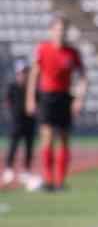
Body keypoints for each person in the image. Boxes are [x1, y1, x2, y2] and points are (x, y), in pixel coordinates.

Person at [24, 17, 87, 191]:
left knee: (64, 139)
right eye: (58, 29)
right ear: (51, 31)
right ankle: (49, 179)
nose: (61, 32)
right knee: (47, 138)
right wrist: (30, 99)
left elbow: (83, 77)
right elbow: (34, 74)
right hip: (46, 97)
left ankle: (60, 181)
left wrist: (79, 98)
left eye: (63, 29)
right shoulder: (43, 49)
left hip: (65, 97)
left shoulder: (72, 52)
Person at [4, 58, 38, 187]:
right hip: (16, 121)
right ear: (17, 73)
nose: (23, 75)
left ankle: (26, 170)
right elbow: (7, 101)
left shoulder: (32, 88)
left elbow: (37, 102)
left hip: (29, 121)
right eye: (21, 72)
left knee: (29, 146)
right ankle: (9, 169)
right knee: (13, 145)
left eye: (25, 72)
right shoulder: (12, 87)